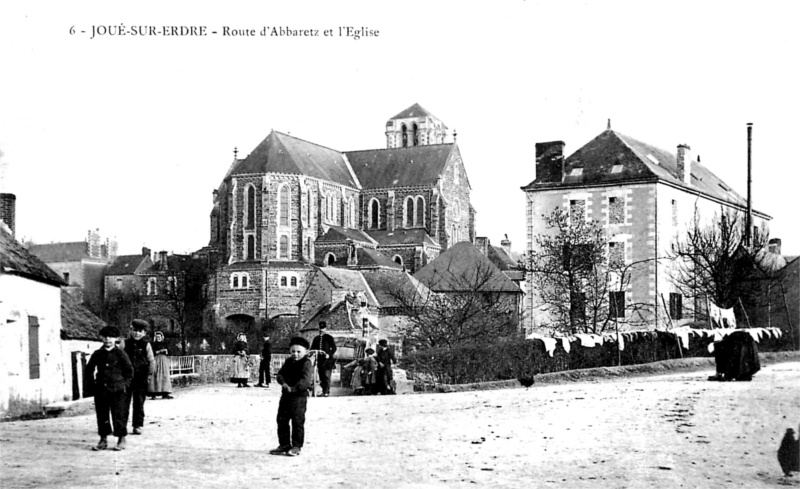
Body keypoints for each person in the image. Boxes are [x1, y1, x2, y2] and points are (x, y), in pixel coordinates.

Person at [86, 326, 133, 451]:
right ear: (101, 338)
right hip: (101, 390)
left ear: (116, 339)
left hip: (118, 390)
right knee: (102, 416)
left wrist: (125, 385)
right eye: (105, 337)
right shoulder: (97, 354)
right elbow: (88, 370)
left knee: (119, 415)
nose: (108, 340)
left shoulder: (121, 354)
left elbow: (129, 371)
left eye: (111, 337)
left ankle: (121, 439)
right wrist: (93, 386)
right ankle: (103, 439)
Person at [270, 336, 314, 457]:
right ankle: (284, 444)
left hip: (299, 397)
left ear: (306, 352)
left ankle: (296, 446)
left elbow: (305, 381)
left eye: (299, 351)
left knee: (297, 421)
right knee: (282, 420)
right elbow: (280, 374)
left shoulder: (306, 363)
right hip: (286, 396)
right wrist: (283, 383)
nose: (295, 354)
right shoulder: (289, 362)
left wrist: (294, 389)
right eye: (293, 351)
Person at [123, 319, 155, 436]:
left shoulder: (146, 345)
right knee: (123, 403)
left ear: (144, 333)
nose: (137, 333)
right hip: (126, 379)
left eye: (140, 331)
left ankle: (137, 425)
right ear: (131, 330)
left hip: (141, 378)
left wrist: (149, 377)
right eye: (135, 331)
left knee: (139, 403)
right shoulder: (124, 343)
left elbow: (151, 361)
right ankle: (121, 425)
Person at [310, 321, 337, 397]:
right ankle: (323, 390)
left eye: (323, 328)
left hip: (328, 361)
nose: (321, 330)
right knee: (321, 376)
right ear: (318, 329)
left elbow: (334, 348)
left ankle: (326, 392)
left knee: (326, 376)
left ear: (325, 329)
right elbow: (312, 348)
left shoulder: (329, 338)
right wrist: (312, 353)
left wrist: (329, 354)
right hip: (320, 360)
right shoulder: (316, 339)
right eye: (320, 328)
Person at [148, 331, 174, 400]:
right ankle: (153, 394)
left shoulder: (165, 344)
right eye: (157, 337)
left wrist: (166, 351)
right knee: (155, 375)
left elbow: (170, 352)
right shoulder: (153, 344)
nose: (158, 338)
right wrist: (159, 351)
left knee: (164, 376)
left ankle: (165, 393)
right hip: (156, 360)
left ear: (162, 337)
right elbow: (151, 352)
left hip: (164, 360)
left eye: (159, 337)